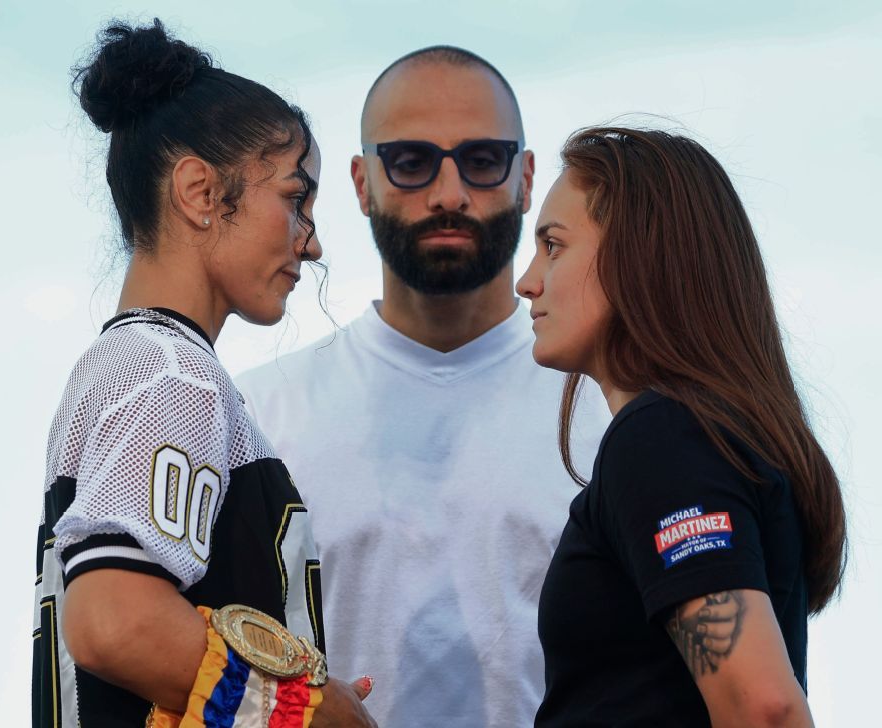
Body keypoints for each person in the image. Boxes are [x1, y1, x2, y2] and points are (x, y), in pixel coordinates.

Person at [236, 47, 607, 726]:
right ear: (361, 182)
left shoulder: (610, 412)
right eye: (410, 162)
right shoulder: (256, 415)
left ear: (526, 178)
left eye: (483, 159)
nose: (448, 194)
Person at [31, 20, 375, 728]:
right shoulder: (171, 375)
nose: (312, 243)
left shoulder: (131, 366)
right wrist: (312, 709)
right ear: (200, 192)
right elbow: (116, 621)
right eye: (295, 198)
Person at [517, 126, 849, 727]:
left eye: (553, 246)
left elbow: (764, 711)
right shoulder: (691, 434)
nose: (527, 282)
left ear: (636, 256)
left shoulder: (664, 437)